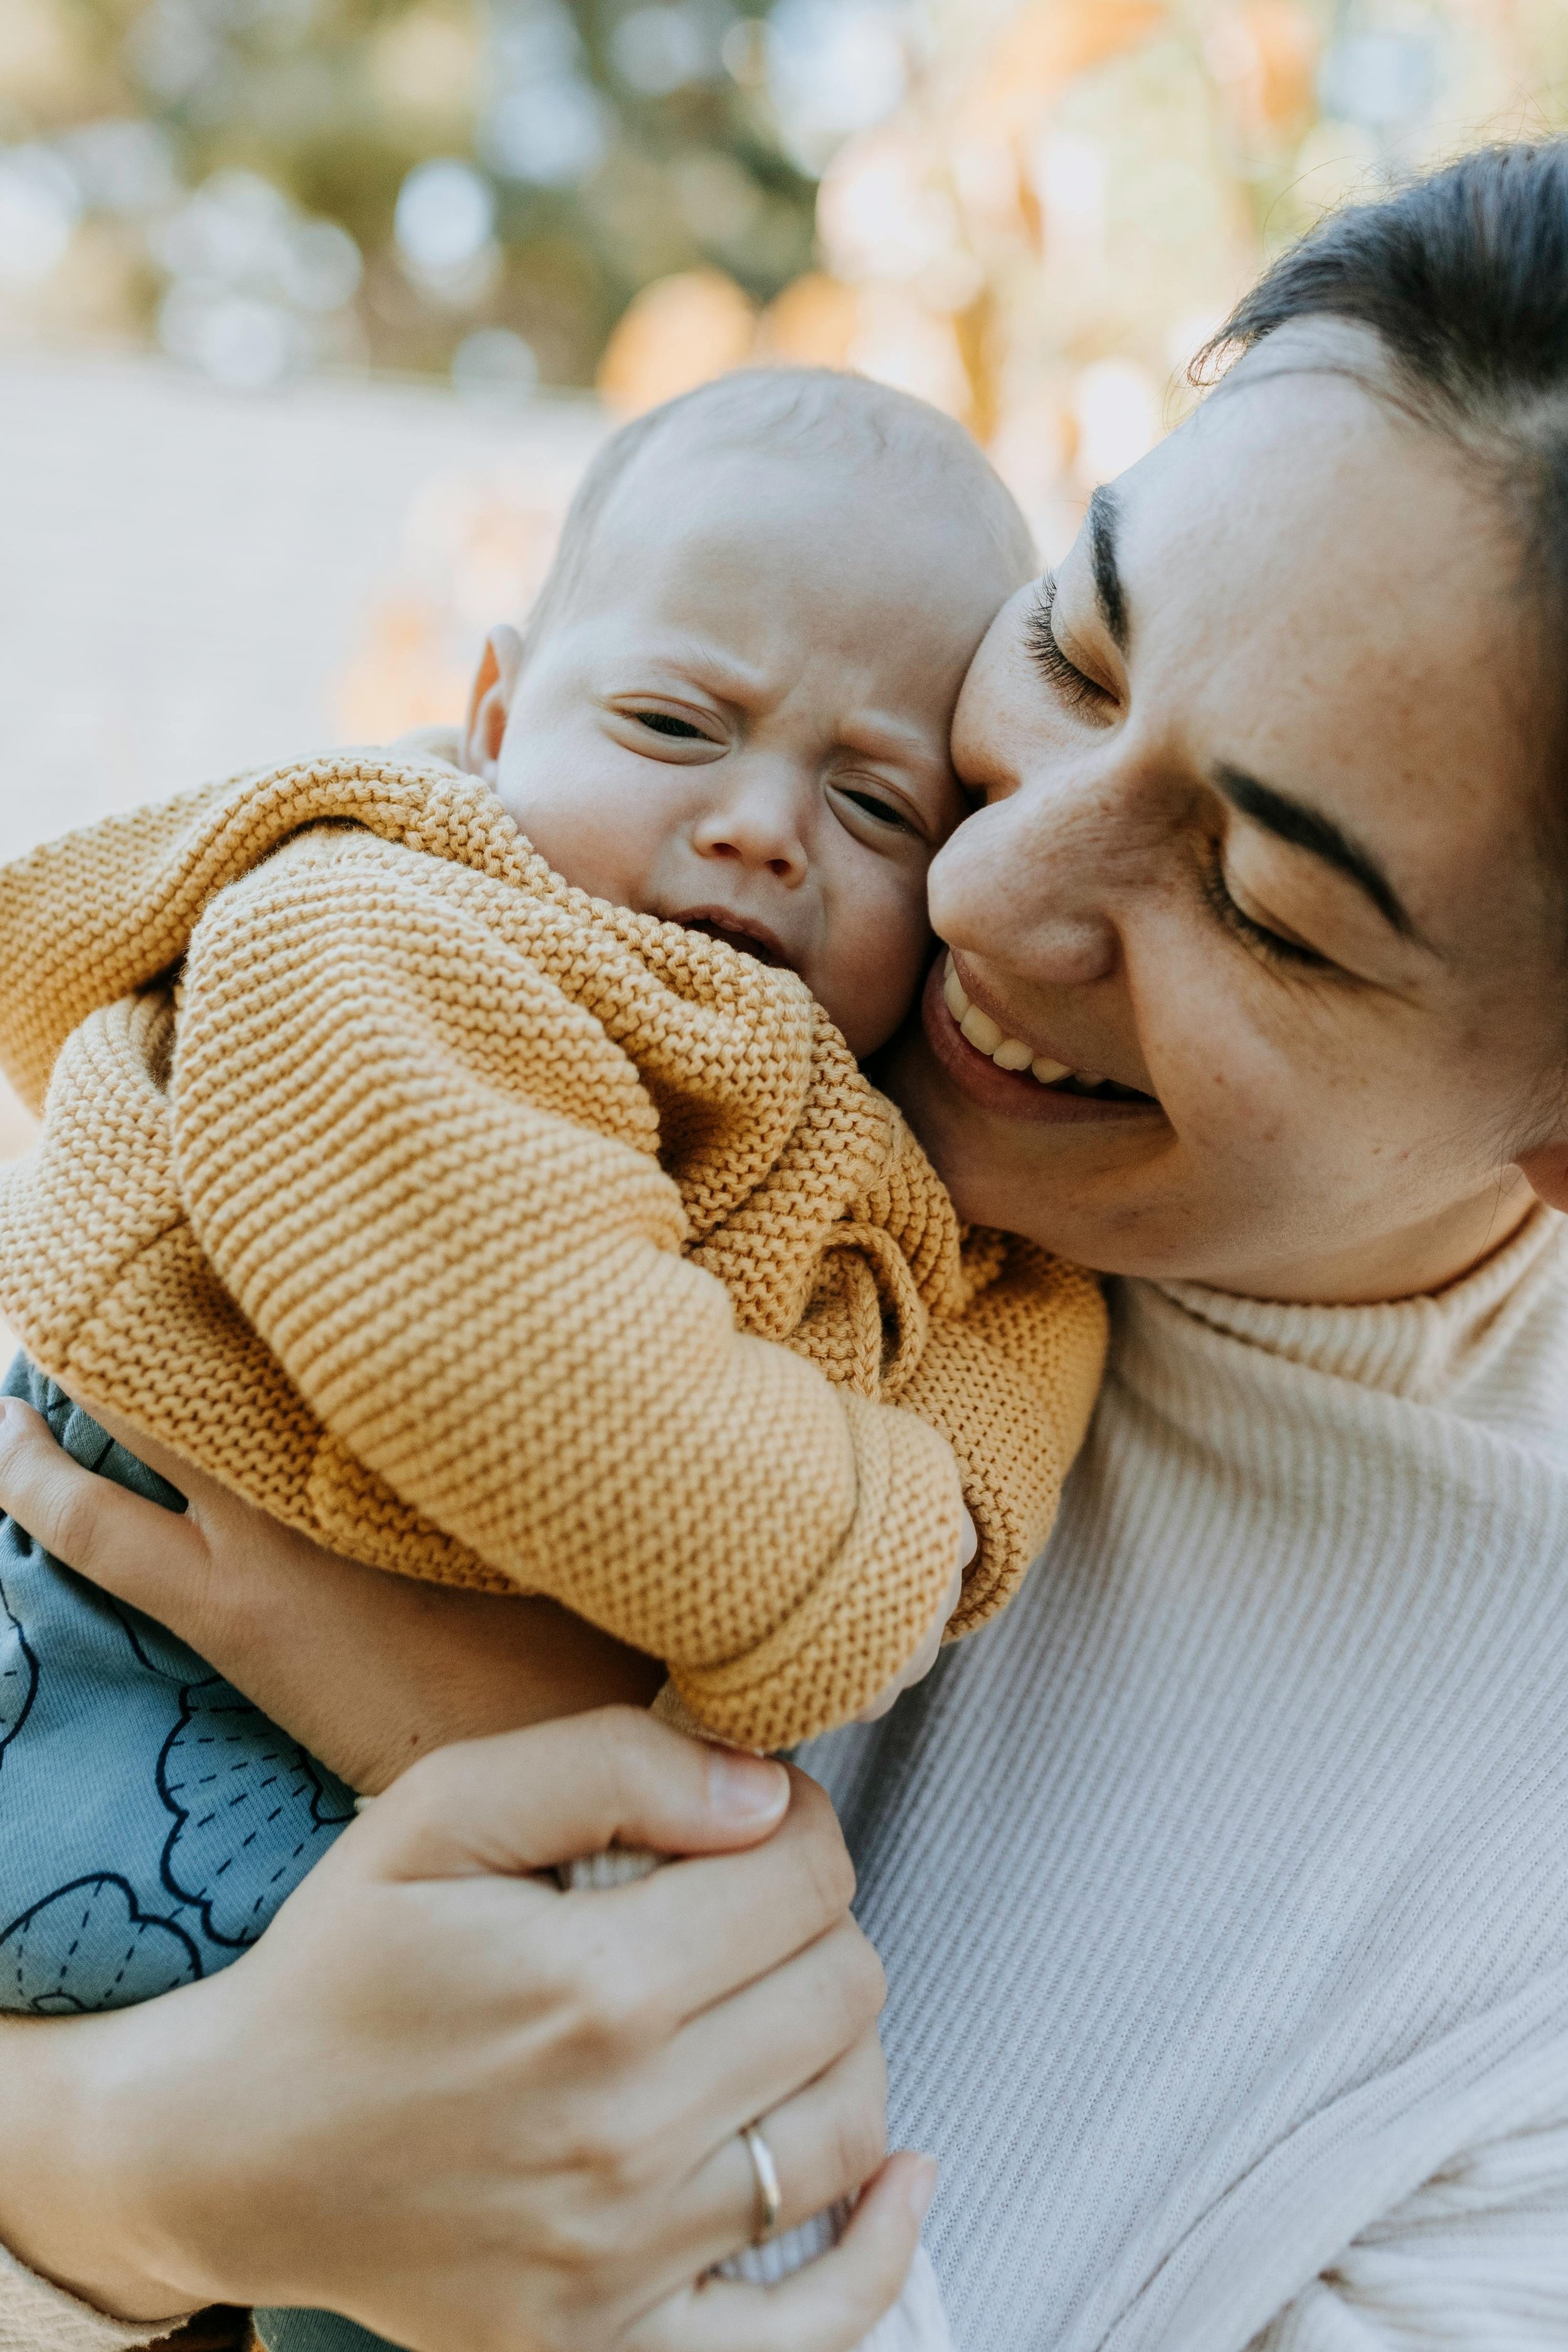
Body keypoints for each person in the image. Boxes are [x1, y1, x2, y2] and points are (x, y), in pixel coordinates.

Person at [5, 135, 1568, 2349]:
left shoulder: (1513, 1936)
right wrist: (121, 2174)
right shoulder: (474, 964)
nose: (980, 888)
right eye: (1077, 648)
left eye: (1261, 905)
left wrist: (525, 1774)